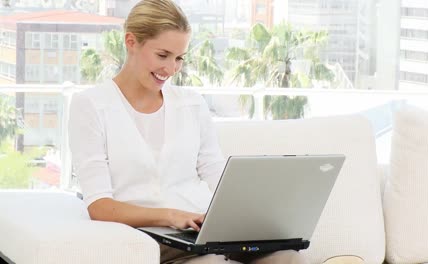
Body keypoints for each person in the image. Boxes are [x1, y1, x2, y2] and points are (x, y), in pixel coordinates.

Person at [69, 0, 308, 263]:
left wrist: (252, 216)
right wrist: (171, 215)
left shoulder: (191, 103)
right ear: (131, 42)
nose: (171, 69)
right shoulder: (91, 106)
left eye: (179, 58)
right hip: (149, 240)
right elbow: (100, 207)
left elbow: (215, 171)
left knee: (289, 258)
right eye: (163, 55)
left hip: (203, 231)